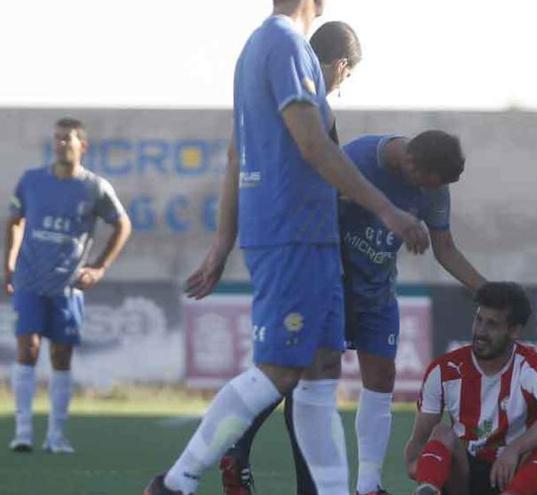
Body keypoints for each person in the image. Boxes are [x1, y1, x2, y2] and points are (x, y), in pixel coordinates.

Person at [144, 0, 428, 493]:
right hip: (292, 232)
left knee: (320, 371)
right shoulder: (285, 45)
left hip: (305, 237)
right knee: (279, 369)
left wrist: (223, 241)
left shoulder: (259, 47)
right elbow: (314, 147)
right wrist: (388, 210)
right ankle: (176, 483)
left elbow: (237, 152)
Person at [219, 130, 487, 495]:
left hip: (375, 294)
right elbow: (308, 205)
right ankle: (239, 446)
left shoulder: (434, 185)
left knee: (380, 377)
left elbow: (445, 247)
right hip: (329, 286)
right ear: (411, 163)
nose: (427, 193)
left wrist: (486, 290)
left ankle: (368, 486)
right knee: (295, 373)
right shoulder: (359, 158)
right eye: (424, 184)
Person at [5, 117, 131, 454]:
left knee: (61, 355)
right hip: (30, 278)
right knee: (27, 348)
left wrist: (99, 267)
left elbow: (122, 224)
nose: (62, 143)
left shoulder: (94, 187)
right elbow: (15, 220)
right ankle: (23, 432)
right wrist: (10, 262)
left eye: (69, 138)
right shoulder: (32, 181)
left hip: (68, 284)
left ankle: (56, 436)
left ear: (82, 145)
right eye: (58, 138)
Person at [405, 282, 537, 495]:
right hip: (465, 477)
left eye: (492, 324)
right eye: (479, 320)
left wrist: (514, 449)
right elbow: (415, 452)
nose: (480, 331)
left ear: (514, 331)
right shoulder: (444, 370)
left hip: (513, 470)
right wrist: (431, 470)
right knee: (441, 433)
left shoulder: (532, 366)